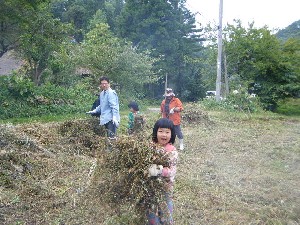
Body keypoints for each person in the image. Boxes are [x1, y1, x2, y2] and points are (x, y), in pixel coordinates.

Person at [146, 118, 178, 225]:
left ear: (172, 134)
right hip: (150, 187)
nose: (164, 135)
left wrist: (158, 170)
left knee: (165, 212)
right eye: (161, 131)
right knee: (151, 211)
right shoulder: (150, 147)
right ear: (155, 132)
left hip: (165, 187)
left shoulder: (171, 151)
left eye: (167, 132)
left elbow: (172, 171)